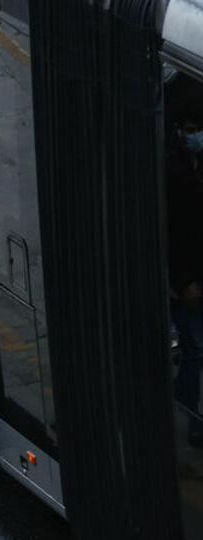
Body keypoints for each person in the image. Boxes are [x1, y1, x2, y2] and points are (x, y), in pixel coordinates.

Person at [167, 105, 203, 448]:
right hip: (186, 281)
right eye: (189, 129)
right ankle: (193, 420)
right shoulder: (174, 172)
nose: (194, 136)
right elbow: (172, 235)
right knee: (195, 349)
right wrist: (180, 283)